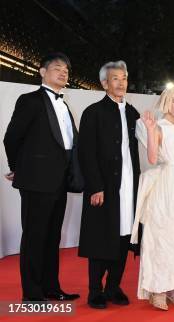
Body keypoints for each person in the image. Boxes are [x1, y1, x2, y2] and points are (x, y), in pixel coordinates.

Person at [3, 52, 80, 302]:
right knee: (35, 237)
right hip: (36, 181)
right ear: (42, 71)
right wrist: (18, 168)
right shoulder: (30, 100)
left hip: (59, 181)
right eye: (57, 68)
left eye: (66, 70)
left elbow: (68, 143)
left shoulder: (64, 105)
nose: (63, 72)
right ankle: (32, 295)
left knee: (52, 237)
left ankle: (51, 288)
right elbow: (12, 137)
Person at [130, 85, 174, 310]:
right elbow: (151, 159)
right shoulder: (158, 126)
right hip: (167, 186)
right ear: (166, 101)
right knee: (163, 236)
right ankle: (157, 288)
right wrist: (151, 130)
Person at [78, 61, 140, 309]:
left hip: (129, 186)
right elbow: (85, 153)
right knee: (101, 237)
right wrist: (95, 186)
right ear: (105, 83)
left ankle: (114, 286)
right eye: (116, 78)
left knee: (124, 236)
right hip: (104, 187)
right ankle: (95, 291)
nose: (121, 82)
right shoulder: (93, 112)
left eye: (124, 77)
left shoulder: (133, 112)